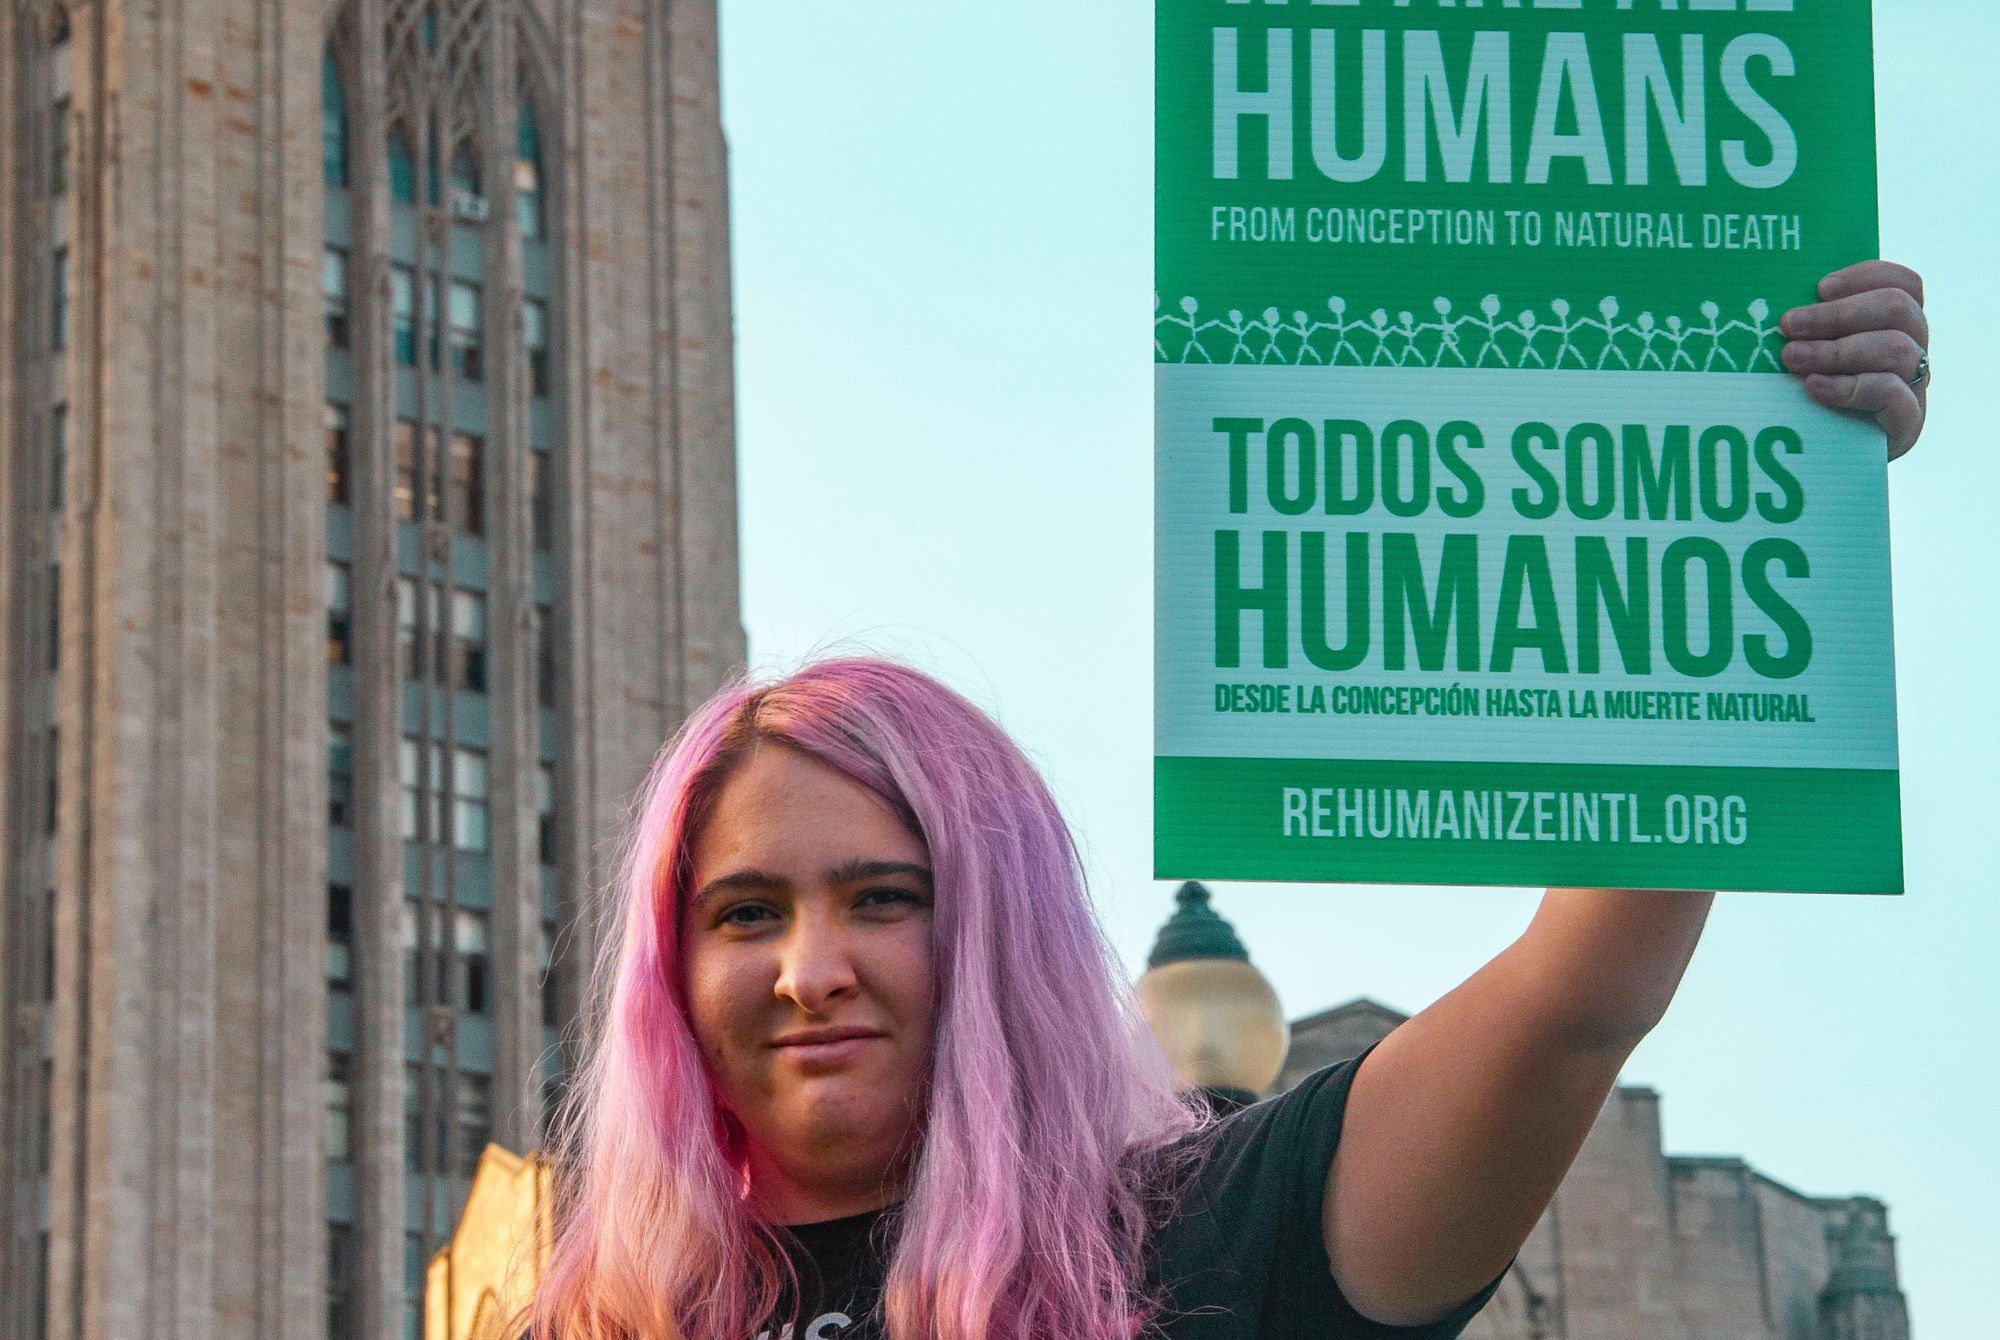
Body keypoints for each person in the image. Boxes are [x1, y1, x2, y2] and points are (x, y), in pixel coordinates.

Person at [521, 260, 1931, 1340]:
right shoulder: (583, 1316)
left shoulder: (1197, 1243)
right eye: (746, 912)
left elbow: (1579, 996)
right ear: (671, 968)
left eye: (886, 896)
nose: (810, 971)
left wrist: (1774, 463)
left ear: (1002, 927)